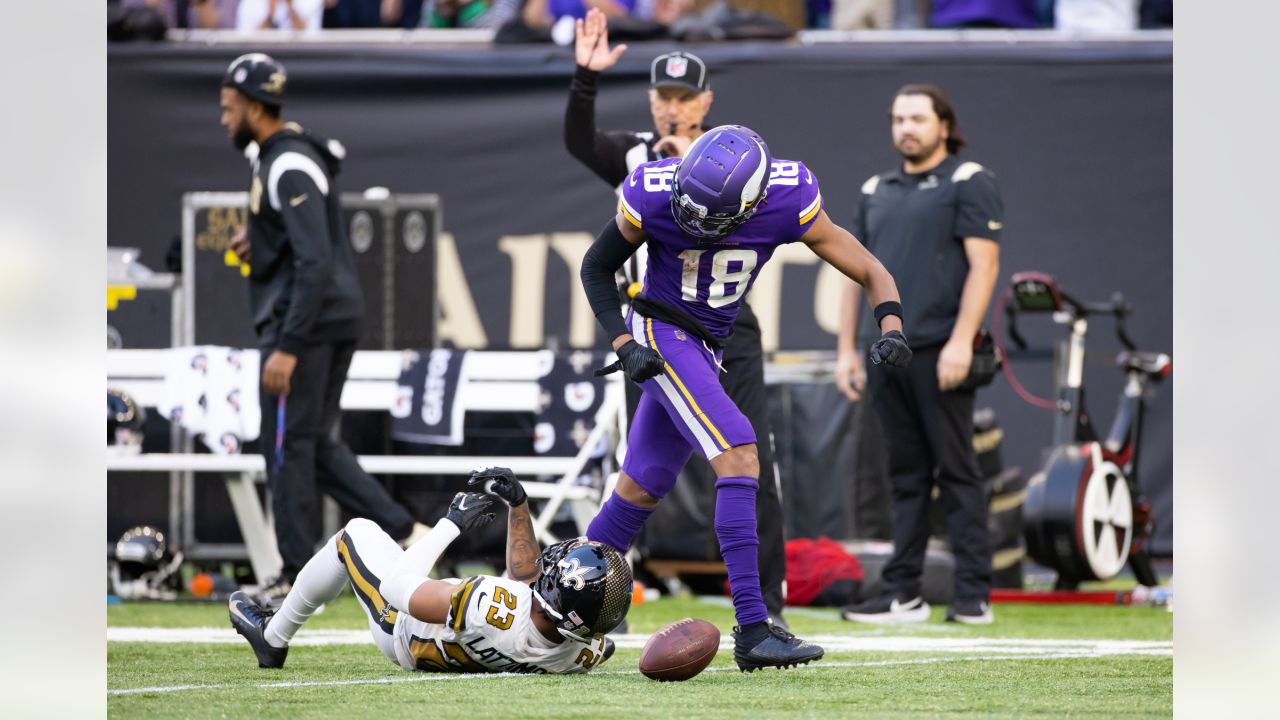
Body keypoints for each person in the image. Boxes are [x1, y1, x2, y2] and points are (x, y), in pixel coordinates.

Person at [579, 123, 913, 671]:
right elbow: (596, 265)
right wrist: (622, 341)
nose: (695, 225)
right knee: (738, 452)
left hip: (707, 343)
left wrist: (892, 326)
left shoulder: (788, 198)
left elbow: (869, 267)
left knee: (638, 491)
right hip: (661, 333)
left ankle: (555, 612)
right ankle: (755, 629)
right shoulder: (653, 189)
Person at [566, 10, 790, 626]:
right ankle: (586, 596)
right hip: (657, 322)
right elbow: (581, 145)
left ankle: (766, 605)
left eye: (683, 97)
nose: (672, 107)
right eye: (662, 96)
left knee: (749, 453)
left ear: (705, 102)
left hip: (725, 327)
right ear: (650, 100)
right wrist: (585, 78)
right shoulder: (639, 160)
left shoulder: (734, 158)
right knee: (650, 472)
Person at [219, 53, 428, 606]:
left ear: (256, 107)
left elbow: (315, 260)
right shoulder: (288, 155)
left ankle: (292, 572)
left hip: (304, 326)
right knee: (309, 444)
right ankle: (403, 530)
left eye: (229, 107)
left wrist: (287, 345)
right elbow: (302, 244)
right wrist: (259, 239)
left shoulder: (286, 164)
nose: (224, 118)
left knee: (285, 445)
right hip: (324, 318)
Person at [835, 83, 1002, 625]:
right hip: (888, 352)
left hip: (942, 350)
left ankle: (974, 594)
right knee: (904, 476)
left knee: (956, 471)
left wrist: (961, 340)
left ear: (944, 127)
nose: (906, 128)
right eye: (898, 118)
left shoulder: (967, 181)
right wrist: (846, 351)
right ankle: (902, 592)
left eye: (918, 118)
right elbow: (853, 272)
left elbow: (985, 266)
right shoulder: (874, 189)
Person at [229, 468, 631, 673]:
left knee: (355, 533)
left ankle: (273, 636)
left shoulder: (490, 607)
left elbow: (396, 588)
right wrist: (518, 505)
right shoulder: (582, 647)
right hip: (455, 640)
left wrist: (450, 524)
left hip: (405, 627)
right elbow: (532, 590)